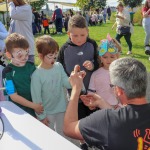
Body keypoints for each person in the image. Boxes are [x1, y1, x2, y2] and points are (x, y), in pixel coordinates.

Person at [64, 57, 150, 150]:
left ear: (119, 90)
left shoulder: (105, 120)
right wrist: (102, 103)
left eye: (112, 86)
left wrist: (76, 89)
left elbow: (69, 128)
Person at [57, 14, 99, 150]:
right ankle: (82, 143)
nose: (79, 39)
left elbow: (99, 61)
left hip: (93, 91)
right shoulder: (64, 49)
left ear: (87, 32)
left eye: (82, 35)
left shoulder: (92, 44)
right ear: (68, 33)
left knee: (93, 117)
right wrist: (70, 77)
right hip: (75, 94)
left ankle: (95, 139)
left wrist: (93, 65)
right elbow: (59, 67)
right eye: (75, 36)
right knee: (79, 119)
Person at [31, 35, 71, 137]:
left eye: (55, 55)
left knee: (61, 133)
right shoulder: (37, 75)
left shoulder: (58, 66)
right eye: (50, 56)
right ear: (40, 56)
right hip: (47, 112)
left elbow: (66, 82)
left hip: (60, 108)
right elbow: (36, 98)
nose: (54, 58)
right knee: (49, 135)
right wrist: (42, 116)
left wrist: (75, 79)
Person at [2, 33, 43, 117]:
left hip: (37, 108)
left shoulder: (31, 66)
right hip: (19, 112)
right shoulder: (7, 72)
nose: (24, 58)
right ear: (9, 55)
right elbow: (13, 96)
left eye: (27, 54)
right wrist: (34, 106)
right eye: (20, 55)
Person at [88, 34, 121, 109]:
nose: (108, 60)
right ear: (100, 58)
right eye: (105, 57)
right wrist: (92, 102)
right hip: (100, 108)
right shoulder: (96, 74)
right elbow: (91, 91)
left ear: (117, 57)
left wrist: (120, 106)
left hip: (117, 108)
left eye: (112, 57)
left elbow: (126, 93)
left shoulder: (120, 73)